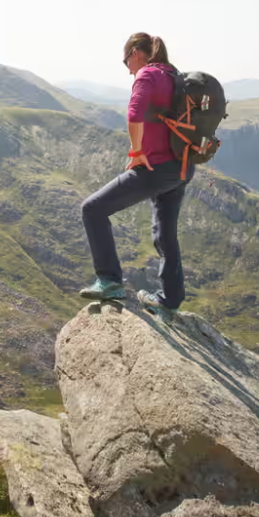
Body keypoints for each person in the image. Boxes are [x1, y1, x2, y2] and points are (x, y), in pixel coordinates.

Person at [78, 32, 190, 319]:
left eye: (126, 60)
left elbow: (134, 113)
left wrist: (137, 151)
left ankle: (110, 281)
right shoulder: (173, 75)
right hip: (183, 166)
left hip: (156, 167)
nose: (127, 68)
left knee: (92, 209)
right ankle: (170, 300)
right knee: (166, 234)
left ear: (137, 53)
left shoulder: (147, 75)